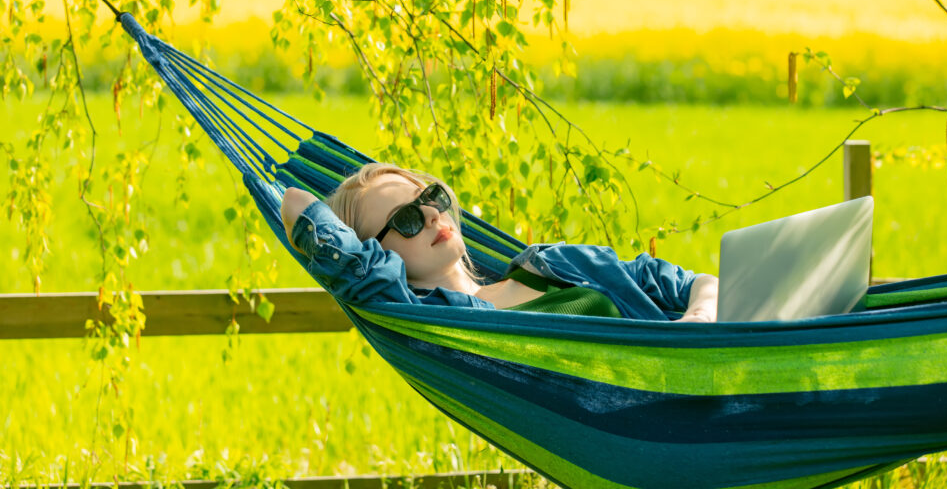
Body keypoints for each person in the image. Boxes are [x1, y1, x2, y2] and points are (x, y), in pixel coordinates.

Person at [280, 163, 719, 322]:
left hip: (710, 374)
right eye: (407, 219)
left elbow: (696, 283)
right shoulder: (440, 321)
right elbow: (298, 205)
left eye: (429, 199)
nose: (433, 215)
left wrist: (697, 317)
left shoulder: (550, 265)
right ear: (377, 256)